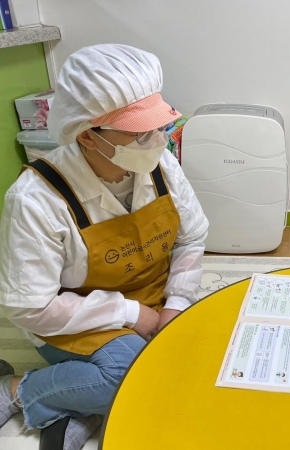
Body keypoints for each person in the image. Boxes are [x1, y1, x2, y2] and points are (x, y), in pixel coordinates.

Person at [0, 44, 208, 449]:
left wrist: (176, 305)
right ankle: (16, 389)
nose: (157, 140)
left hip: (154, 298)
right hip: (76, 317)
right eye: (139, 133)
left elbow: (191, 237)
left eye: (159, 126)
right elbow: (30, 307)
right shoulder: (35, 198)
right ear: (87, 136)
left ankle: (76, 407)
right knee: (134, 376)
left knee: (196, 361)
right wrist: (130, 313)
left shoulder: (159, 164)